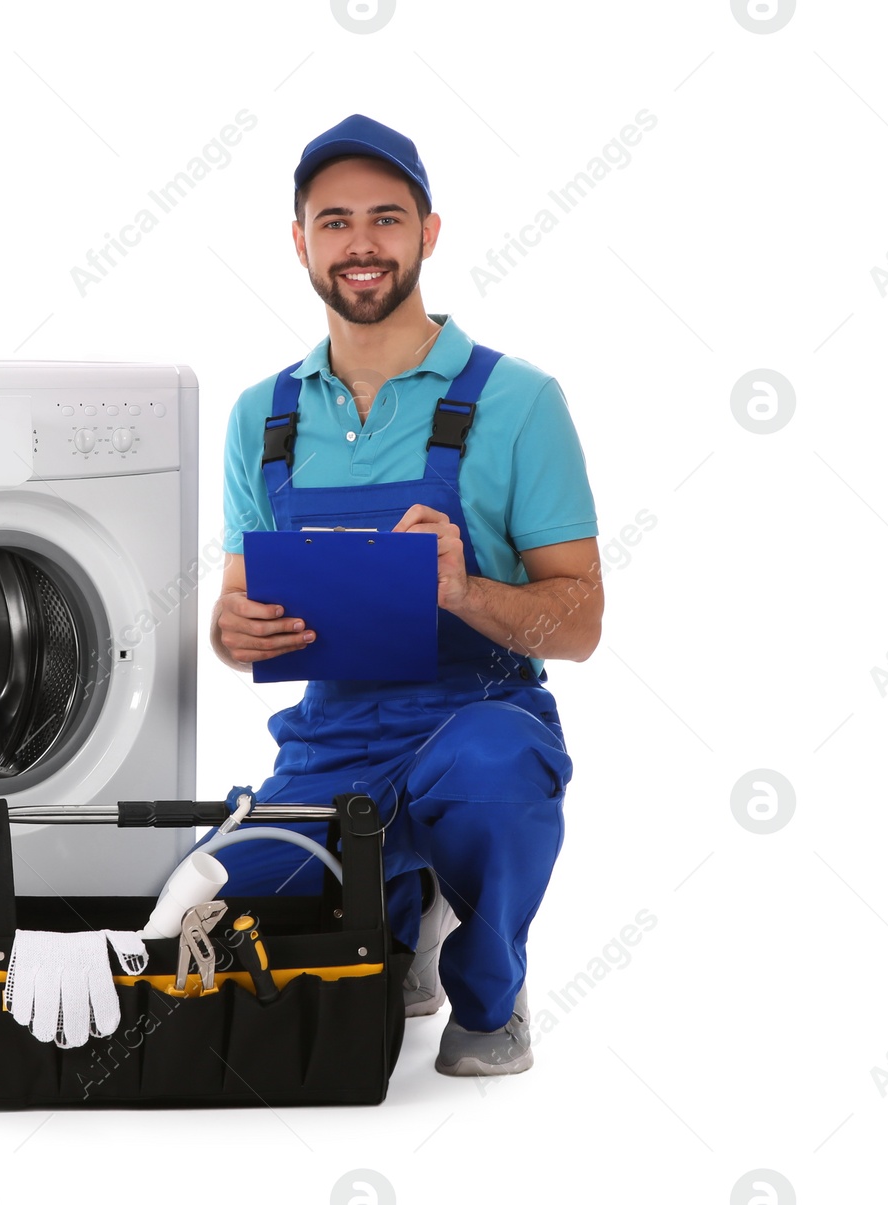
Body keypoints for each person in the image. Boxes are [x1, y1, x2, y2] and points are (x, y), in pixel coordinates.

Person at [204, 114, 603, 1076]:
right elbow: (232, 611)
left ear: (429, 232)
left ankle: (490, 991)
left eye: (387, 218)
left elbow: (581, 620)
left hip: (477, 718)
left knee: (492, 774)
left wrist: (465, 590)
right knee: (219, 917)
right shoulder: (264, 415)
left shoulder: (518, 401)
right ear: (301, 241)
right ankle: (400, 908)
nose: (362, 243)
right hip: (331, 740)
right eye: (334, 221)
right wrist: (229, 630)